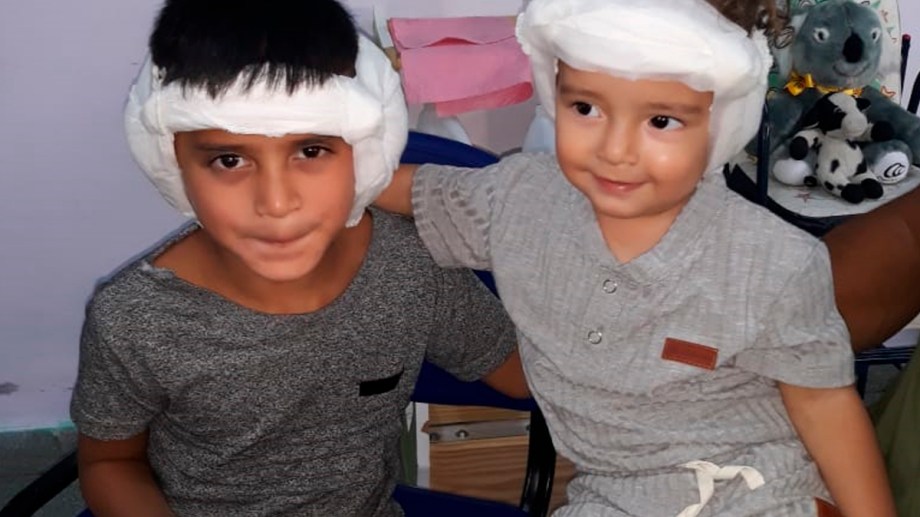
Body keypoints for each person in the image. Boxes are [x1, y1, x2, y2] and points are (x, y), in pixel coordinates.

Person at [376, 0, 897, 514]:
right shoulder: (516, 198)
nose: (616, 149)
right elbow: (391, 186)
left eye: (661, 120)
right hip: (612, 495)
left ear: (721, 124)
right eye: (586, 109)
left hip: (756, 491)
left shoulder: (775, 264)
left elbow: (826, 408)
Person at [68, 1, 527, 516]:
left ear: (364, 156)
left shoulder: (412, 264)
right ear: (170, 164)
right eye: (229, 160)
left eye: (310, 151)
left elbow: (527, 374)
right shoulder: (135, 319)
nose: (277, 203)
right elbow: (110, 461)